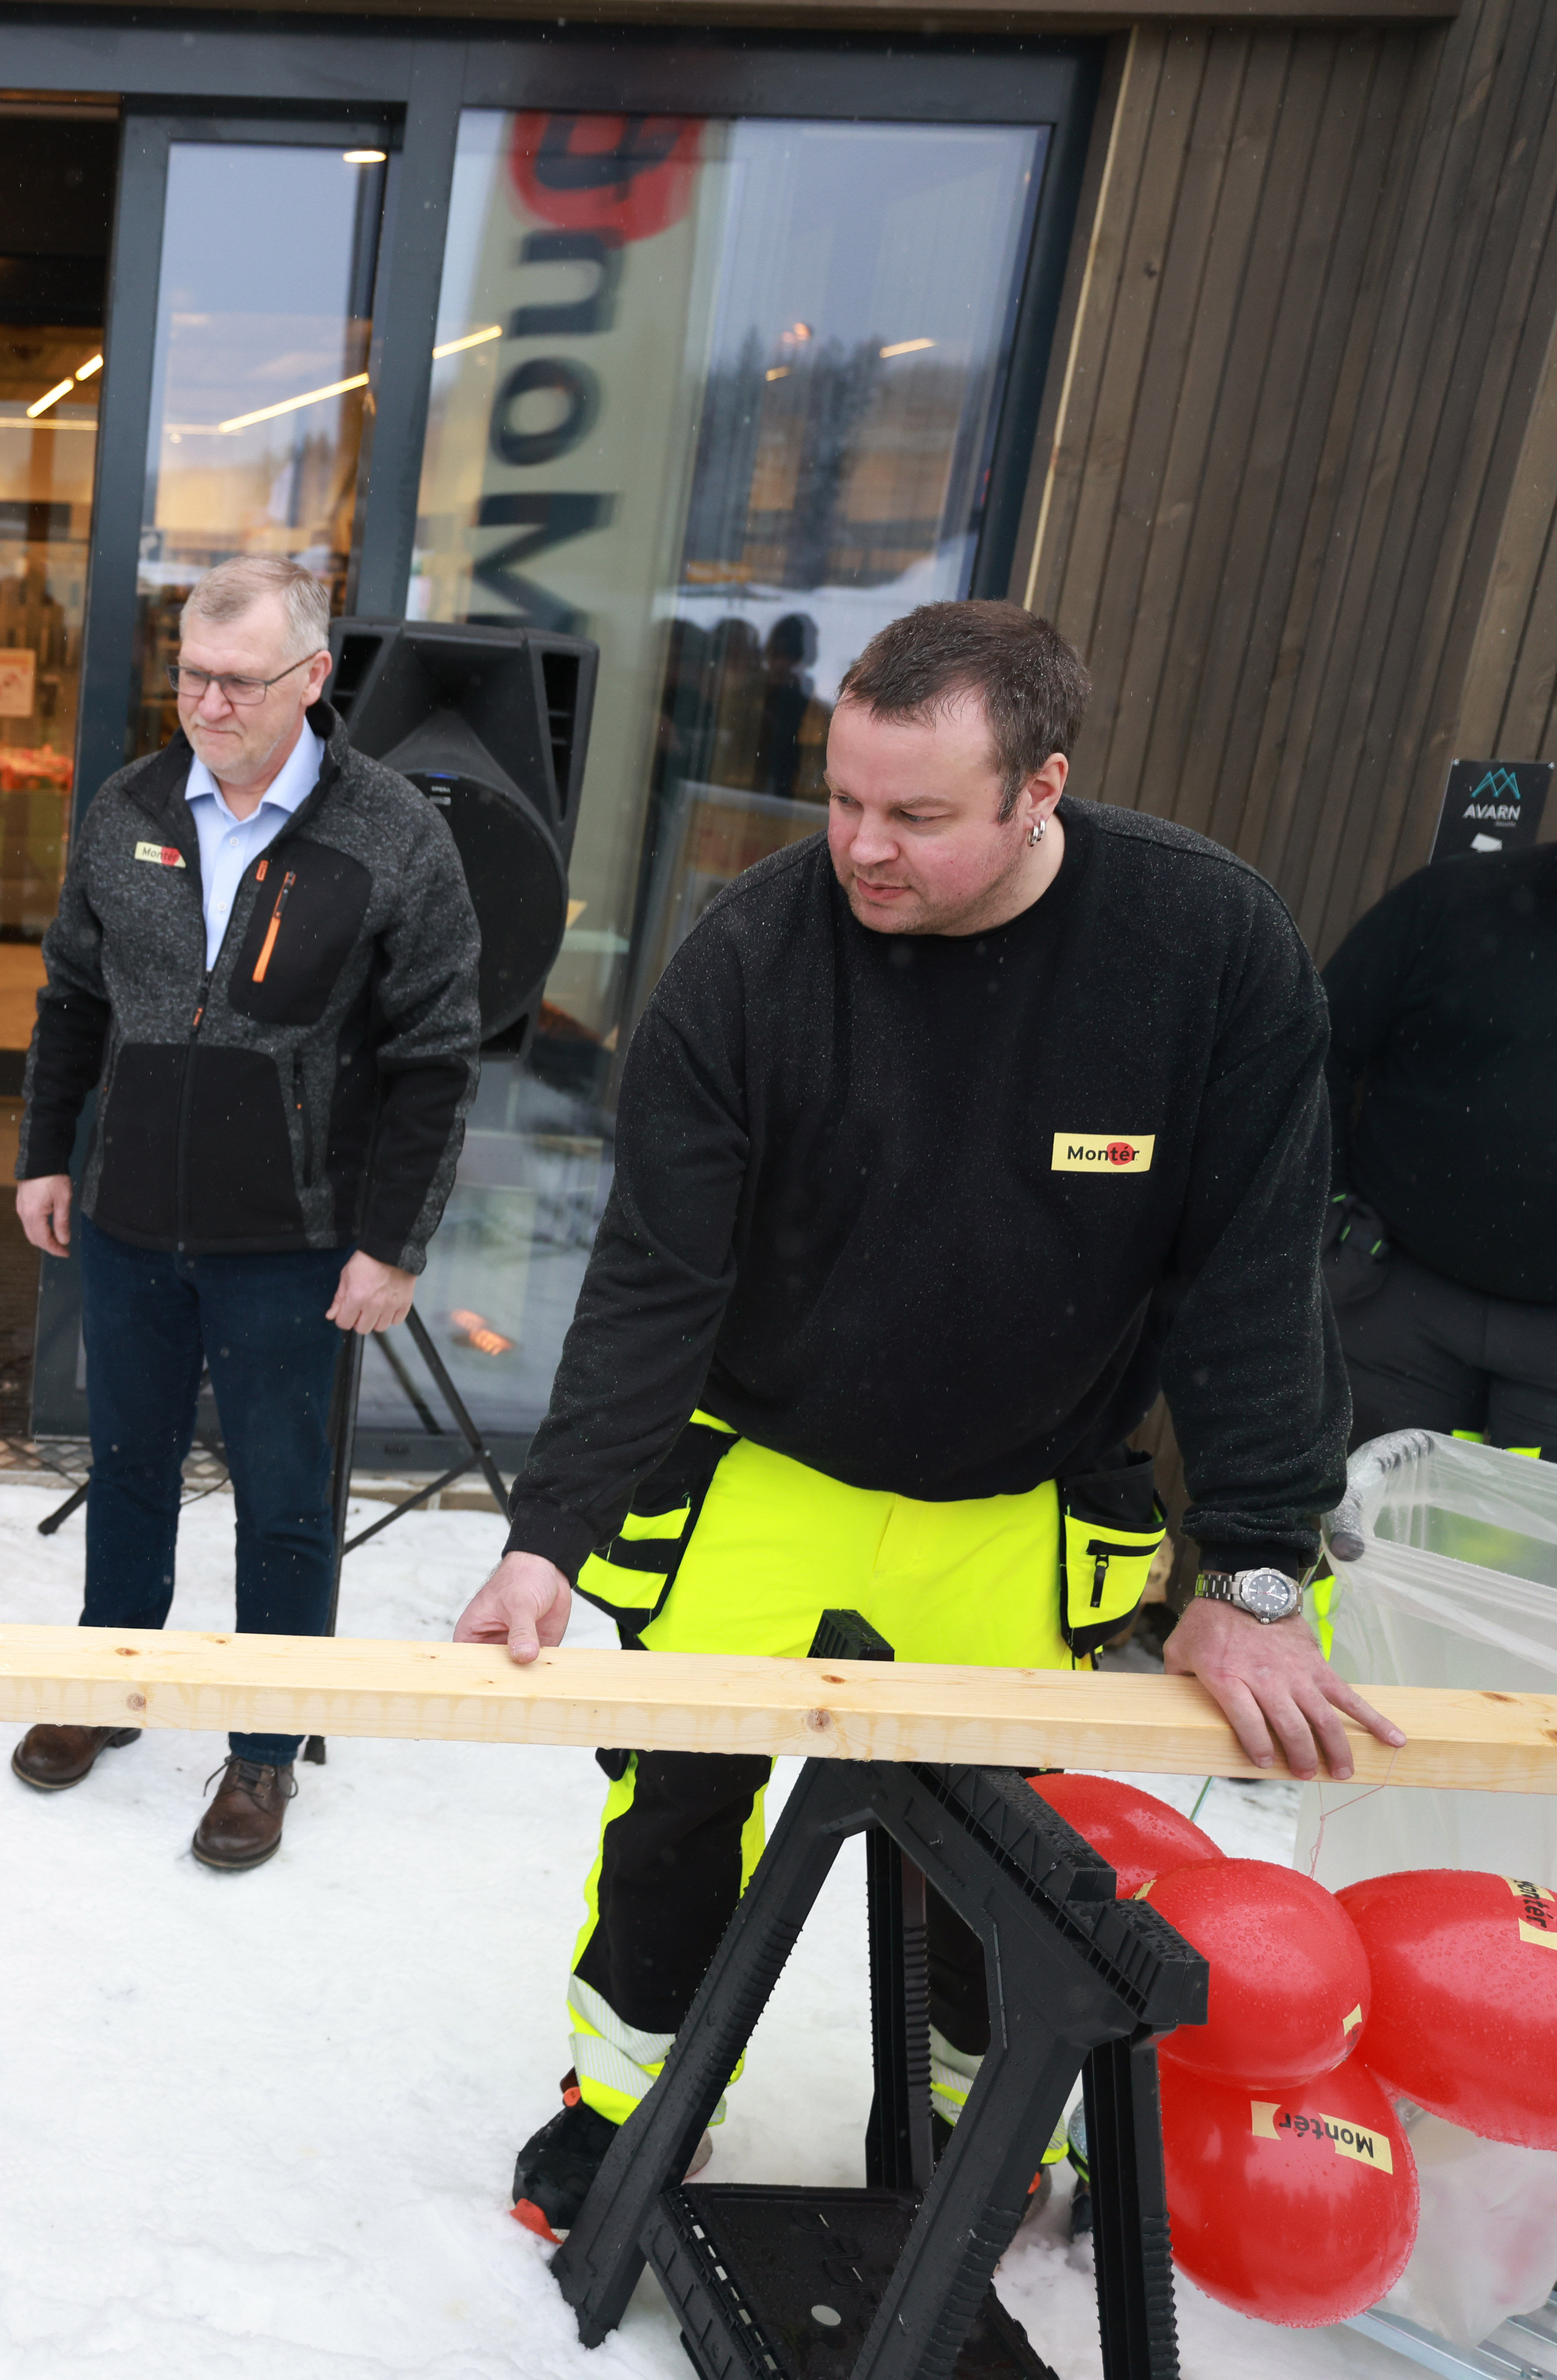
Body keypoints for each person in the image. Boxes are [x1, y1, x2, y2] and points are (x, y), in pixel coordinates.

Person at [448, 600, 1407, 2241]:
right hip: (765, 1458)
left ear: (1040, 785)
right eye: (839, 799)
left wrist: (1251, 1567)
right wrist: (548, 1528)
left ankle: (971, 2127)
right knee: (672, 1800)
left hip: (1019, 1486)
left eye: (914, 815)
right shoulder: (750, 955)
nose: (858, 848)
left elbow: (1249, 1273)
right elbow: (652, 1275)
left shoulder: (1203, 950)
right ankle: (623, 2104)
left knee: (987, 1846)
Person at [10, 554, 483, 1872]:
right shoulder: (128, 805)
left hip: (295, 1237)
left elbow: (437, 1055)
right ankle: (112, 1679)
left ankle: (266, 1750)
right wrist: (47, 1155)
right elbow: (71, 996)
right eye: (191, 679)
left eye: (238, 682)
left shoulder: (393, 833)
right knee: (128, 1463)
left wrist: (394, 1243)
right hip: (127, 1218)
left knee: (283, 1497)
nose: (208, 706)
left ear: (313, 679)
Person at [1320, 838, 1556, 1454]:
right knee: (1355, 1534)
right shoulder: (1451, 901)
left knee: (1522, 1550)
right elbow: (1320, 1049)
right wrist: (1329, 1206)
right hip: (1397, 1302)